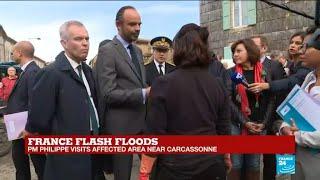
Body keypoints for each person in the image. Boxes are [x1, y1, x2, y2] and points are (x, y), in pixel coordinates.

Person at [139, 23, 231, 180]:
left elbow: (155, 133)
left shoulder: (163, 84)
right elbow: (224, 128)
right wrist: (226, 157)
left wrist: (144, 171)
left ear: (178, 48)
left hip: (175, 167)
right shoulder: (217, 84)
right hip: (212, 164)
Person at [24, 21, 105, 180]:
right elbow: (39, 119)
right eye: (78, 39)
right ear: (64, 43)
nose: (85, 43)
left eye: (87, 39)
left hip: (93, 149)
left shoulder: (87, 71)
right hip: (67, 157)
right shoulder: (51, 73)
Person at [94, 6, 149, 180]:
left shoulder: (138, 51)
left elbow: (138, 82)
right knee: (123, 176)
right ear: (118, 25)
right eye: (132, 24)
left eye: (140, 24)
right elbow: (108, 94)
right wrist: (143, 94)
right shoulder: (107, 51)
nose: (138, 28)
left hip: (143, 125)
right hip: (121, 128)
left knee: (152, 172)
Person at [228, 39, 276, 180]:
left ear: (250, 51)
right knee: (236, 164)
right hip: (237, 125)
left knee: (254, 165)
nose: (235, 55)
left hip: (259, 124)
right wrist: (245, 122)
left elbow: (271, 100)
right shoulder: (231, 73)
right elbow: (228, 101)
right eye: (234, 52)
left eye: (239, 51)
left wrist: (264, 124)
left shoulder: (265, 72)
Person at [279, 28, 320, 180]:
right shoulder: (309, 77)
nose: (301, 50)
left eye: (307, 46)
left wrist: (296, 135)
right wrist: (284, 127)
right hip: (293, 153)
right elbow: (292, 110)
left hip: (314, 163)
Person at [7, 41, 46, 180]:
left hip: (29, 129)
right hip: (20, 127)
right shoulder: (26, 71)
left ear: (20, 53)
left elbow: (36, 102)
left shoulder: (33, 71)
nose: (12, 54)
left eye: (12, 52)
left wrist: (31, 127)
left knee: (40, 164)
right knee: (20, 163)